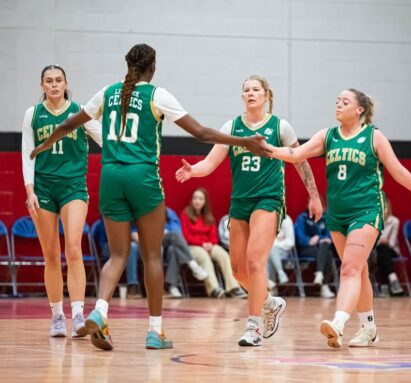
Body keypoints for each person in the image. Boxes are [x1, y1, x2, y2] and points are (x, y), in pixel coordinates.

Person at [30, 44, 270, 351]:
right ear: (152, 66)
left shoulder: (107, 93)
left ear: (127, 64)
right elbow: (201, 133)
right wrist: (243, 141)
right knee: (152, 255)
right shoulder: (157, 95)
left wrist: (42, 146)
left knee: (117, 255)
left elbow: (66, 125)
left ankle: (100, 310)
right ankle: (155, 331)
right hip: (142, 177)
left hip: (111, 178)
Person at [265, 88, 411, 349]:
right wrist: (266, 148)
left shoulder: (374, 137)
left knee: (349, 268)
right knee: (358, 271)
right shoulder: (327, 136)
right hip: (337, 215)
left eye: (345, 101)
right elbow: (295, 155)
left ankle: (338, 323)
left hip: (366, 211)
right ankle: (369, 328)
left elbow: (399, 172)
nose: (338, 104)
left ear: (360, 109)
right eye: (337, 100)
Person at [176, 75, 322, 347]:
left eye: (256, 89)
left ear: (266, 95)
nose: (251, 93)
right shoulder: (232, 127)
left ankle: (253, 327)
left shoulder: (281, 126)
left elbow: (300, 161)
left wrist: (314, 196)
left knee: (255, 261)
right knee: (238, 270)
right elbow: (209, 164)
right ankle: (270, 302)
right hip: (240, 203)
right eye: (246, 90)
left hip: (268, 200)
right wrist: (192, 171)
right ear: (242, 96)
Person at [21, 64, 102, 338]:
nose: (54, 85)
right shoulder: (33, 115)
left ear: (66, 84)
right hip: (43, 188)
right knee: (51, 255)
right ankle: (57, 316)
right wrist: (29, 190)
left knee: (73, 248)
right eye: (48, 81)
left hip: (73, 187)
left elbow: (106, 140)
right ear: (42, 85)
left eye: (58, 80)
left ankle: (78, 314)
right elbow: (26, 154)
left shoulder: (81, 113)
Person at [181, 188, 247, 298]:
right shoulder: (185, 214)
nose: (197, 201)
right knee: (204, 257)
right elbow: (186, 236)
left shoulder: (208, 216)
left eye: (200, 199)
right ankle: (214, 289)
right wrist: (202, 244)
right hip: (192, 246)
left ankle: (234, 288)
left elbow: (214, 237)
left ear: (205, 201)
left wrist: (210, 244)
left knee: (223, 255)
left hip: (208, 245)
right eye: (195, 198)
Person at [162, 207, 208, 298]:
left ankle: (171, 287)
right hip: (152, 242)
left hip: (167, 243)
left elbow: (176, 229)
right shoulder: (142, 211)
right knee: (175, 236)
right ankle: (193, 265)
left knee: (174, 249)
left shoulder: (168, 212)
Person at [295, 205, 337, 299]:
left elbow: (329, 236)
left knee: (326, 249)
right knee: (327, 253)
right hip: (306, 249)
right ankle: (324, 286)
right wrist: (310, 240)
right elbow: (300, 239)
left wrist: (319, 239)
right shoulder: (302, 218)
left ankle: (319, 274)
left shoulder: (326, 218)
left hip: (321, 248)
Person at [373, 198, 404, 296]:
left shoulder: (395, 221)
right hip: (375, 249)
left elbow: (392, 242)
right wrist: (380, 241)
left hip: (391, 249)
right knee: (381, 251)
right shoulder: (374, 221)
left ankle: (384, 286)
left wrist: (384, 242)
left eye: (385, 207)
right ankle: (393, 280)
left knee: (383, 251)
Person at [266, 214, 293, 291]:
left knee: (269, 250)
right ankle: (280, 273)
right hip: (267, 251)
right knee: (267, 254)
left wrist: (274, 243)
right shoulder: (264, 219)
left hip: (283, 251)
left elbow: (290, 242)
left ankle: (271, 288)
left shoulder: (286, 219)